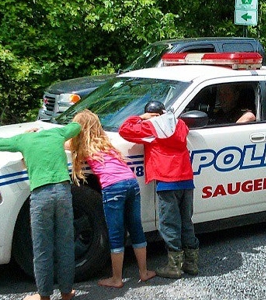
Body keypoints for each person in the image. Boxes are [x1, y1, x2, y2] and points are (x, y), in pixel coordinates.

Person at [0, 122, 81, 300]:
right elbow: (77, 126)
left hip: (40, 194)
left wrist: (25, 133)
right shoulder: (57, 133)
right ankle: (66, 291)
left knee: (42, 245)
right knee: (65, 242)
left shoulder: (24, 139)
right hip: (62, 191)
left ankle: (44, 295)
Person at [69, 109, 156, 288]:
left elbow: (61, 142)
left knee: (116, 234)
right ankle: (144, 272)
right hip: (131, 183)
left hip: (113, 187)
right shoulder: (106, 143)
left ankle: (117, 279)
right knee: (136, 228)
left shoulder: (82, 145)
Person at [118, 101, 200, 279]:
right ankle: (191, 263)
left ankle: (174, 266)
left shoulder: (151, 127)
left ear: (150, 114)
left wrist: (141, 118)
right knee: (186, 221)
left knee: (169, 223)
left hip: (166, 180)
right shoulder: (180, 124)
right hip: (185, 178)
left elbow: (124, 129)